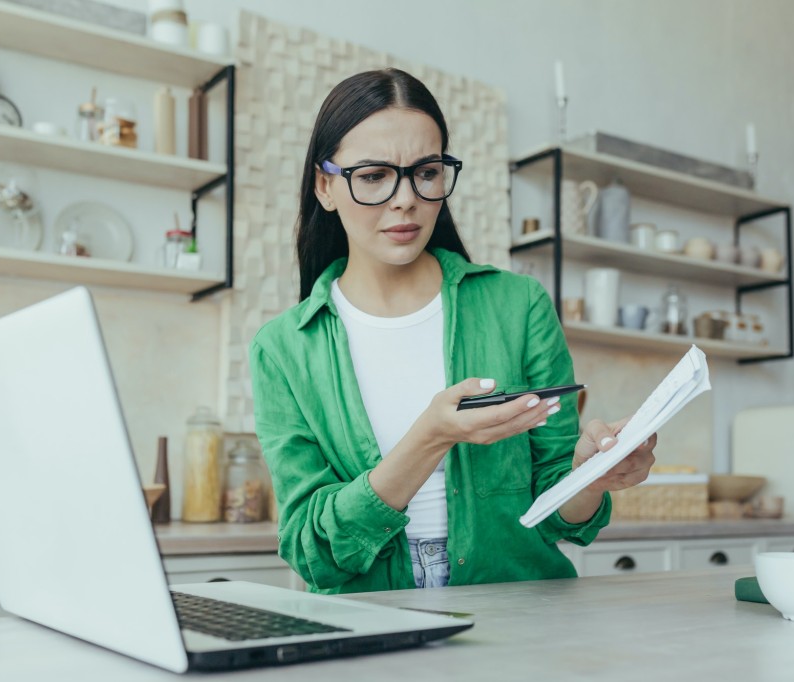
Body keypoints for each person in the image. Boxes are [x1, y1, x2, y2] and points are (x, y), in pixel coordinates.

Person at [249, 68, 656, 595]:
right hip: (374, 624)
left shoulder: (518, 305)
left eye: (426, 172)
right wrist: (431, 437)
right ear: (325, 186)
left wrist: (588, 475)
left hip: (519, 617)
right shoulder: (283, 349)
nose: (405, 199)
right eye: (373, 176)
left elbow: (562, 518)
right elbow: (315, 554)